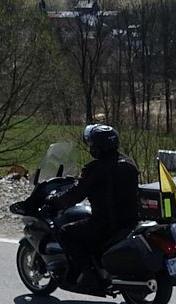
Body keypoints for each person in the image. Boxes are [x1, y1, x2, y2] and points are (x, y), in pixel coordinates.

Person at [52, 123, 140, 287]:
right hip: (130, 222)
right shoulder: (129, 163)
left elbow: (76, 195)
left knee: (65, 232)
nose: (91, 148)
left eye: (92, 145)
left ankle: (86, 272)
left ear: (98, 148)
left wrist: (55, 201)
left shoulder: (96, 169)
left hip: (105, 224)